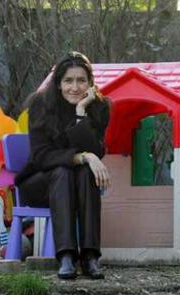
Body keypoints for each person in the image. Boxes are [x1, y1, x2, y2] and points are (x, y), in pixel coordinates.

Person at [15, 51, 111, 280]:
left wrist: (80, 114)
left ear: (90, 84)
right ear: (58, 83)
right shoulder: (40, 104)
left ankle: (89, 257)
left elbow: (96, 151)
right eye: (68, 80)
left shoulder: (99, 107)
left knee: (85, 174)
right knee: (64, 170)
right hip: (39, 183)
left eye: (81, 80)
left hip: (75, 183)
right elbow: (41, 157)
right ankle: (66, 255)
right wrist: (81, 157)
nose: (75, 87)